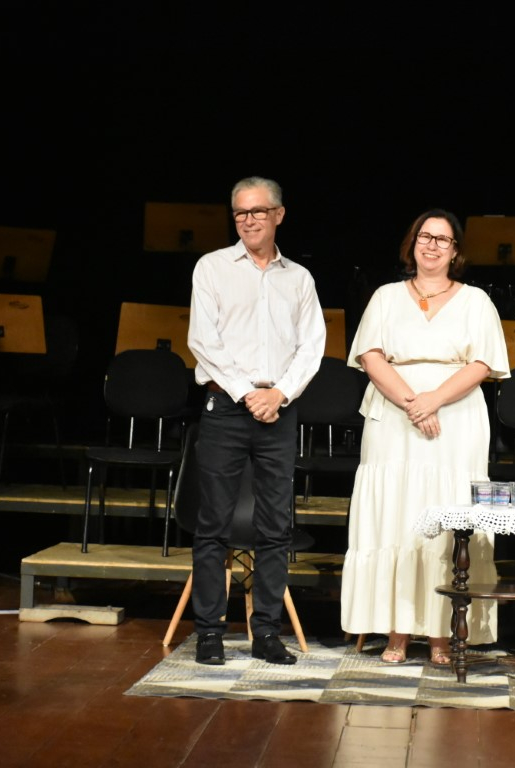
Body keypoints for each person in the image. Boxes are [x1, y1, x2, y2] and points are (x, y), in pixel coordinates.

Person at [340, 208, 510, 664]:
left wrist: (433, 399)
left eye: (442, 239)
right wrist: (412, 403)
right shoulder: (385, 296)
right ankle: (395, 631)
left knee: (447, 516)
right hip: (394, 415)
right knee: (395, 516)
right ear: (412, 244)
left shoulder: (475, 301)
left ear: (456, 251)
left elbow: (483, 363)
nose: (432, 246)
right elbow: (371, 356)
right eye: (425, 237)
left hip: (455, 414)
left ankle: (442, 632)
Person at [187, 176, 327, 666]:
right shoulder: (212, 268)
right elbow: (203, 340)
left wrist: (279, 393)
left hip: (278, 408)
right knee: (213, 525)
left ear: (278, 215)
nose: (249, 221)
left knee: (275, 526)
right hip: (227, 406)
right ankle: (209, 632)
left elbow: (312, 346)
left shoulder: (299, 278)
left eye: (258, 211)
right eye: (241, 213)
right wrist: (248, 393)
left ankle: (266, 631)